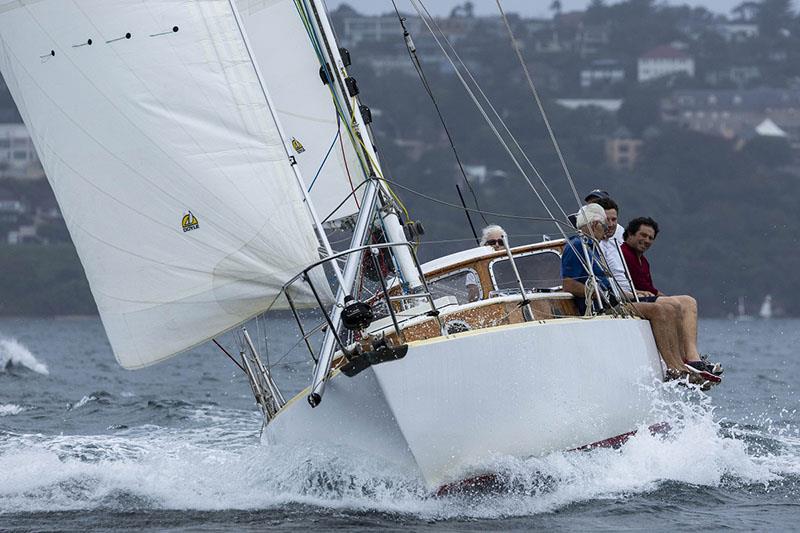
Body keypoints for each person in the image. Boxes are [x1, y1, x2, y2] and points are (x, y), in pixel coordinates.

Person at [561, 206, 718, 381]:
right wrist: (601, 294)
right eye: (605, 227)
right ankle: (674, 368)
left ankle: (679, 364)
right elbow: (568, 284)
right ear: (596, 224)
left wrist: (626, 294)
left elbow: (607, 284)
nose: (606, 231)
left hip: (613, 302)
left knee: (668, 308)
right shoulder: (576, 246)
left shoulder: (593, 247)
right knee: (658, 310)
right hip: (602, 308)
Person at [621, 217, 722, 375]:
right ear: (630, 234)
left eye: (650, 238)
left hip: (647, 298)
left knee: (688, 301)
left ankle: (694, 359)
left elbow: (652, 290)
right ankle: (681, 361)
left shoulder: (643, 261)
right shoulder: (622, 254)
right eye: (643, 235)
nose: (646, 240)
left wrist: (669, 298)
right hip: (632, 298)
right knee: (674, 305)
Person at [466, 225, 506, 302]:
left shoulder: (513, 263)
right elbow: (473, 296)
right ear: (484, 245)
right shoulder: (475, 268)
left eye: (501, 242)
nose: (497, 245)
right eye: (492, 242)